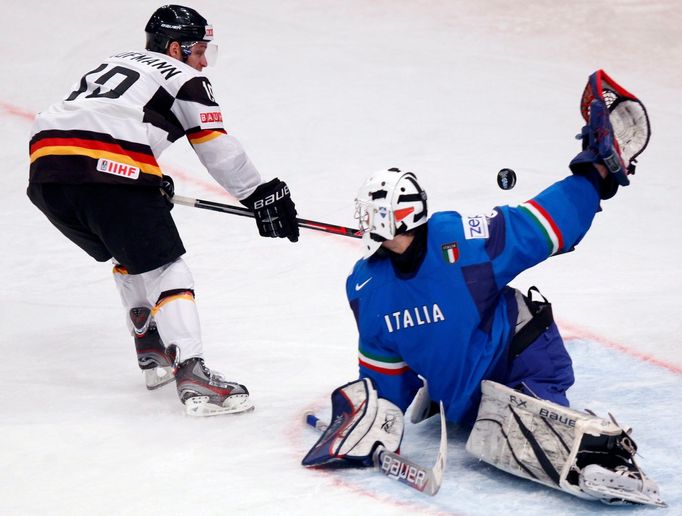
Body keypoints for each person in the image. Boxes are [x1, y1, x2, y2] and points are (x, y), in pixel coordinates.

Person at [302, 71, 665, 507]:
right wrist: (371, 416)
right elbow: (386, 375)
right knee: (484, 426)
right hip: (469, 398)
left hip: (521, 360)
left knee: (530, 430)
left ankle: (602, 453)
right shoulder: (366, 288)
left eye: (368, 213)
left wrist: (596, 172)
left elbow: (543, 224)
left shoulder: (464, 244)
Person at [27, 5, 299, 416]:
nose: (205, 61)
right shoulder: (185, 77)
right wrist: (259, 193)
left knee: (129, 251)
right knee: (166, 266)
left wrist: (144, 175)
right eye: (200, 50)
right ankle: (193, 375)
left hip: (47, 170)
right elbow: (215, 145)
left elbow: (97, 118)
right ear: (176, 47)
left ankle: (151, 348)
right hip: (109, 170)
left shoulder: (112, 61)